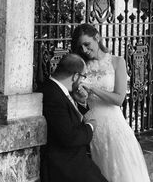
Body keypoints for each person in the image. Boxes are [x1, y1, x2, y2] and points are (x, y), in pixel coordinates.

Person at [71, 24, 151, 182]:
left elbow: (119, 99)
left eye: (87, 44)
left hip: (114, 128)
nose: (84, 50)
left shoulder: (117, 62)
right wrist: (81, 97)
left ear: (97, 38)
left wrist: (93, 88)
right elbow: (79, 101)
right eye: (80, 47)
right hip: (91, 128)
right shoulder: (81, 65)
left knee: (120, 174)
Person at [40, 53, 108, 182]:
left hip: (77, 161)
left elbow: (72, 118)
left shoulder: (60, 90)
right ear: (75, 76)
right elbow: (69, 137)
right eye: (82, 76)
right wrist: (91, 127)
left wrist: (81, 102)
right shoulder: (52, 95)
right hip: (66, 166)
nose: (82, 81)